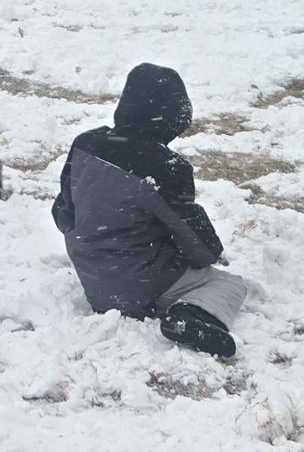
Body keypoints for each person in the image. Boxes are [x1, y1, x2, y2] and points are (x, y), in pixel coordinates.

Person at [51, 63, 247, 357]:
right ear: (172, 118)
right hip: (143, 287)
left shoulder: (85, 143)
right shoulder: (166, 167)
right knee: (230, 284)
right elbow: (194, 239)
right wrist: (208, 255)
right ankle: (189, 316)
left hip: (94, 282)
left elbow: (63, 212)